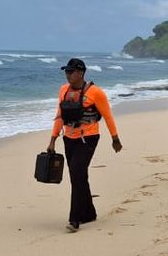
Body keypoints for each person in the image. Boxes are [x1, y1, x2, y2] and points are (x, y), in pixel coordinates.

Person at [47, 58, 122, 232]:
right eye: (66, 71)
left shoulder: (96, 93)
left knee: (77, 174)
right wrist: (52, 140)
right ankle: (89, 213)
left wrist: (115, 138)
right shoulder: (63, 90)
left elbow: (108, 116)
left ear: (80, 73)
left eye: (70, 71)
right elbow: (60, 115)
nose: (67, 75)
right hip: (69, 138)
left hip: (88, 138)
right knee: (78, 177)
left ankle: (74, 219)